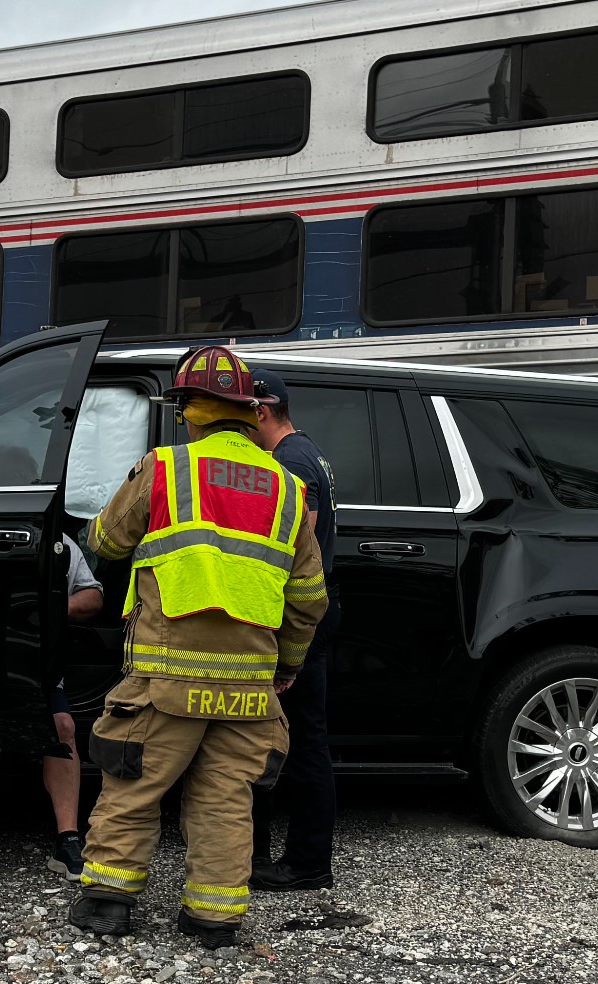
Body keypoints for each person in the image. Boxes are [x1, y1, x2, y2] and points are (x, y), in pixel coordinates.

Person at [68, 345, 328, 951]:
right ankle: (213, 918)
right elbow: (309, 597)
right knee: (225, 800)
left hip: (166, 677)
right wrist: (286, 666)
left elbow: (105, 538)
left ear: (189, 409)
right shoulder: (289, 491)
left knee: (134, 785)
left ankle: (108, 903)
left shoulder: (164, 469)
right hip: (248, 686)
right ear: (245, 411)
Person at [0, 534, 104, 887]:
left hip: (41, 667)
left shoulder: (60, 543)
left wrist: (53, 609)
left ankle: (68, 843)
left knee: (63, 730)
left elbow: (93, 595)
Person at [246, 368, 343, 892]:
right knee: (294, 738)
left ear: (261, 411)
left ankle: (307, 863)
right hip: (315, 610)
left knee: (300, 742)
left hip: (300, 615)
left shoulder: (289, 464)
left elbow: (297, 546)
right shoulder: (308, 453)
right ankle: (280, 856)